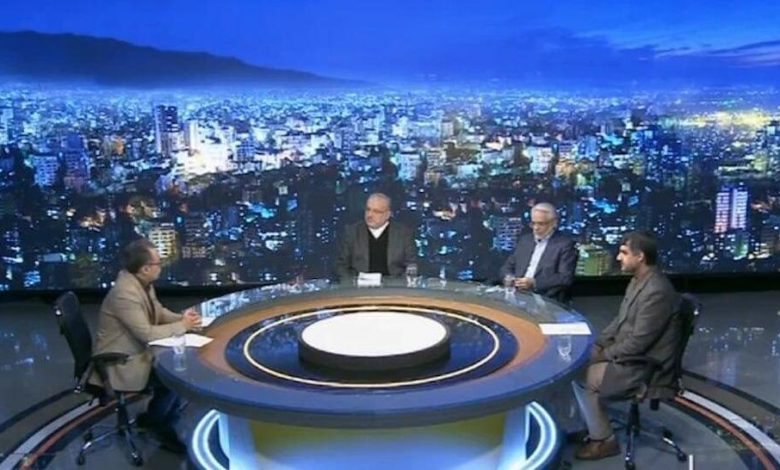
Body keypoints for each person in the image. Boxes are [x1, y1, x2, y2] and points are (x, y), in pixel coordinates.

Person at [572, 231, 680, 460]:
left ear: (640, 256)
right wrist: (599, 344)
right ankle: (589, 424)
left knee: (581, 376)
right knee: (577, 362)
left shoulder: (656, 291)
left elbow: (639, 343)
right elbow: (619, 322)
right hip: (627, 354)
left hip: (643, 366)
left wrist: (602, 356)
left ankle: (604, 440)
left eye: (624, 253)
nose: (618, 257)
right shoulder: (638, 280)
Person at [90, 238, 201, 453]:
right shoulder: (125, 293)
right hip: (120, 361)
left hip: (138, 352)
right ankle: (158, 425)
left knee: (179, 370)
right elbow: (146, 333)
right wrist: (182, 326)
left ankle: (156, 417)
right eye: (158, 263)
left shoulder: (141, 283)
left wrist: (182, 319)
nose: (161, 267)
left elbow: (158, 312)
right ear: (145, 268)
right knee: (175, 377)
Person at [499, 202, 577, 303]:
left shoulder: (564, 244)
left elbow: (565, 278)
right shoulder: (525, 240)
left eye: (541, 224)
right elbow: (506, 267)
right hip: (518, 294)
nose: (536, 228)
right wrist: (510, 278)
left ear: (553, 223)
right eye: (533, 223)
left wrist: (534, 283)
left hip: (545, 298)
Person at [336, 192, 417, 282]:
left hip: (394, 288)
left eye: (376, 211)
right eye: (368, 209)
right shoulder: (352, 232)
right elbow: (341, 266)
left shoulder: (403, 234)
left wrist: (400, 284)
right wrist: (351, 284)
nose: (370, 215)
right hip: (359, 288)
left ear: (387, 215)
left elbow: (412, 265)